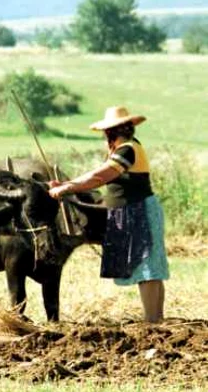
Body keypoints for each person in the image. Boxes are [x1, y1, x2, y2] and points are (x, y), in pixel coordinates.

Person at [48, 106, 168, 323]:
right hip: (134, 210)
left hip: (138, 210)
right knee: (150, 269)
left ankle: (153, 322)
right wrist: (68, 184)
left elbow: (99, 177)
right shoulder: (125, 148)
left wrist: (67, 188)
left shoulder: (127, 150)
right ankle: (156, 320)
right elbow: (98, 176)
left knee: (148, 269)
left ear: (111, 132)